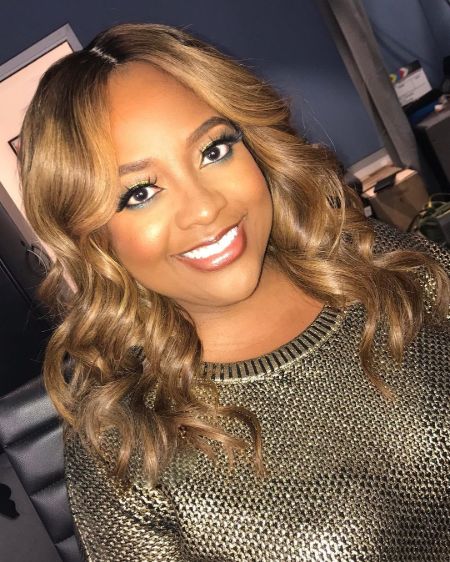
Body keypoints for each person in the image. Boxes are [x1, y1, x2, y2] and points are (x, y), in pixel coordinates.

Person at [19, 23, 449, 562]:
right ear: (92, 236)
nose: (204, 208)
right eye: (139, 193)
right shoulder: (125, 448)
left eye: (214, 149)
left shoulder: (378, 263)